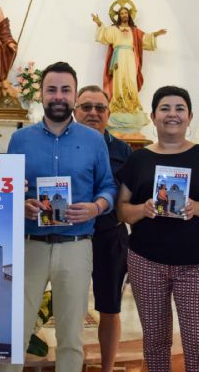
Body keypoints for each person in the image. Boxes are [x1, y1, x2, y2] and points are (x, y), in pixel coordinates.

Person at [1, 62, 118, 372]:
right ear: (40, 94)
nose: (58, 96)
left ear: (74, 95)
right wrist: (20, 202)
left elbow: (108, 186)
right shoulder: (20, 140)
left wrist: (96, 207)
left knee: (71, 337)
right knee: (15, 333)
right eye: (51, 89)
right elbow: (6, 189)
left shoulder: (94, 141)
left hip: (76, 246)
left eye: (65, 90)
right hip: (29, 246)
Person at [116, 86, 199, 372]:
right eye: (165, 108)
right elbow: (121, 210)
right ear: (153, 116)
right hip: (146, 261)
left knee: (197, 342)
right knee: (154, 342)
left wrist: (196, 208)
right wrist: (142, 210)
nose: (172, 114)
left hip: (196, 263)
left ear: (190, 117)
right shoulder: (139, 158)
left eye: (180, 108)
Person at [72, 85, 133, 372]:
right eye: (86, 107)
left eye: (100, 108)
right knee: (69, 308)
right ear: (75, 110)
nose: (93, 113)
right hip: (69, 237)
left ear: (108, 114)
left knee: (109, 307)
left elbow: (133, 196)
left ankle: (106, 369)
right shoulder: (63, 143)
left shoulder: (124, 151)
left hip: (110, 237)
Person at [91, 7, 166, 134]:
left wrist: (156, 34)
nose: (124, 15)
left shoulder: (134, 31)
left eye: (126, 13)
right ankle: (118, 107)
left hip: (130, 58)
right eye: (121, 13)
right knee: (119, 82)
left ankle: (131, 107)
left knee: (131, 81)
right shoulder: (114, 30)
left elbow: (145, 39)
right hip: (118, 58)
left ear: (129, 15)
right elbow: (104, 35)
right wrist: (99, 23)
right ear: (118, 16)